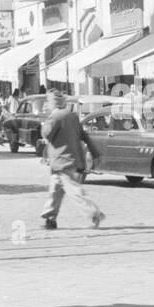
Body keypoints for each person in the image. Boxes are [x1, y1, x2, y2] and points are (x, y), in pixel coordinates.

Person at [39, 87, 104, 230]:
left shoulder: (55, 116)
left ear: (53, 103)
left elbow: (46, 134)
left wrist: (46, 121)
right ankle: (50, 218)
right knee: (55, 190)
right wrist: (95, 152)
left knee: (74, 191)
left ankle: (94, 213)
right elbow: (84, 135)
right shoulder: (72, 115)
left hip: (63, 160)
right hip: (71, 159)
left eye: (48, 102)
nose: (47, 105)